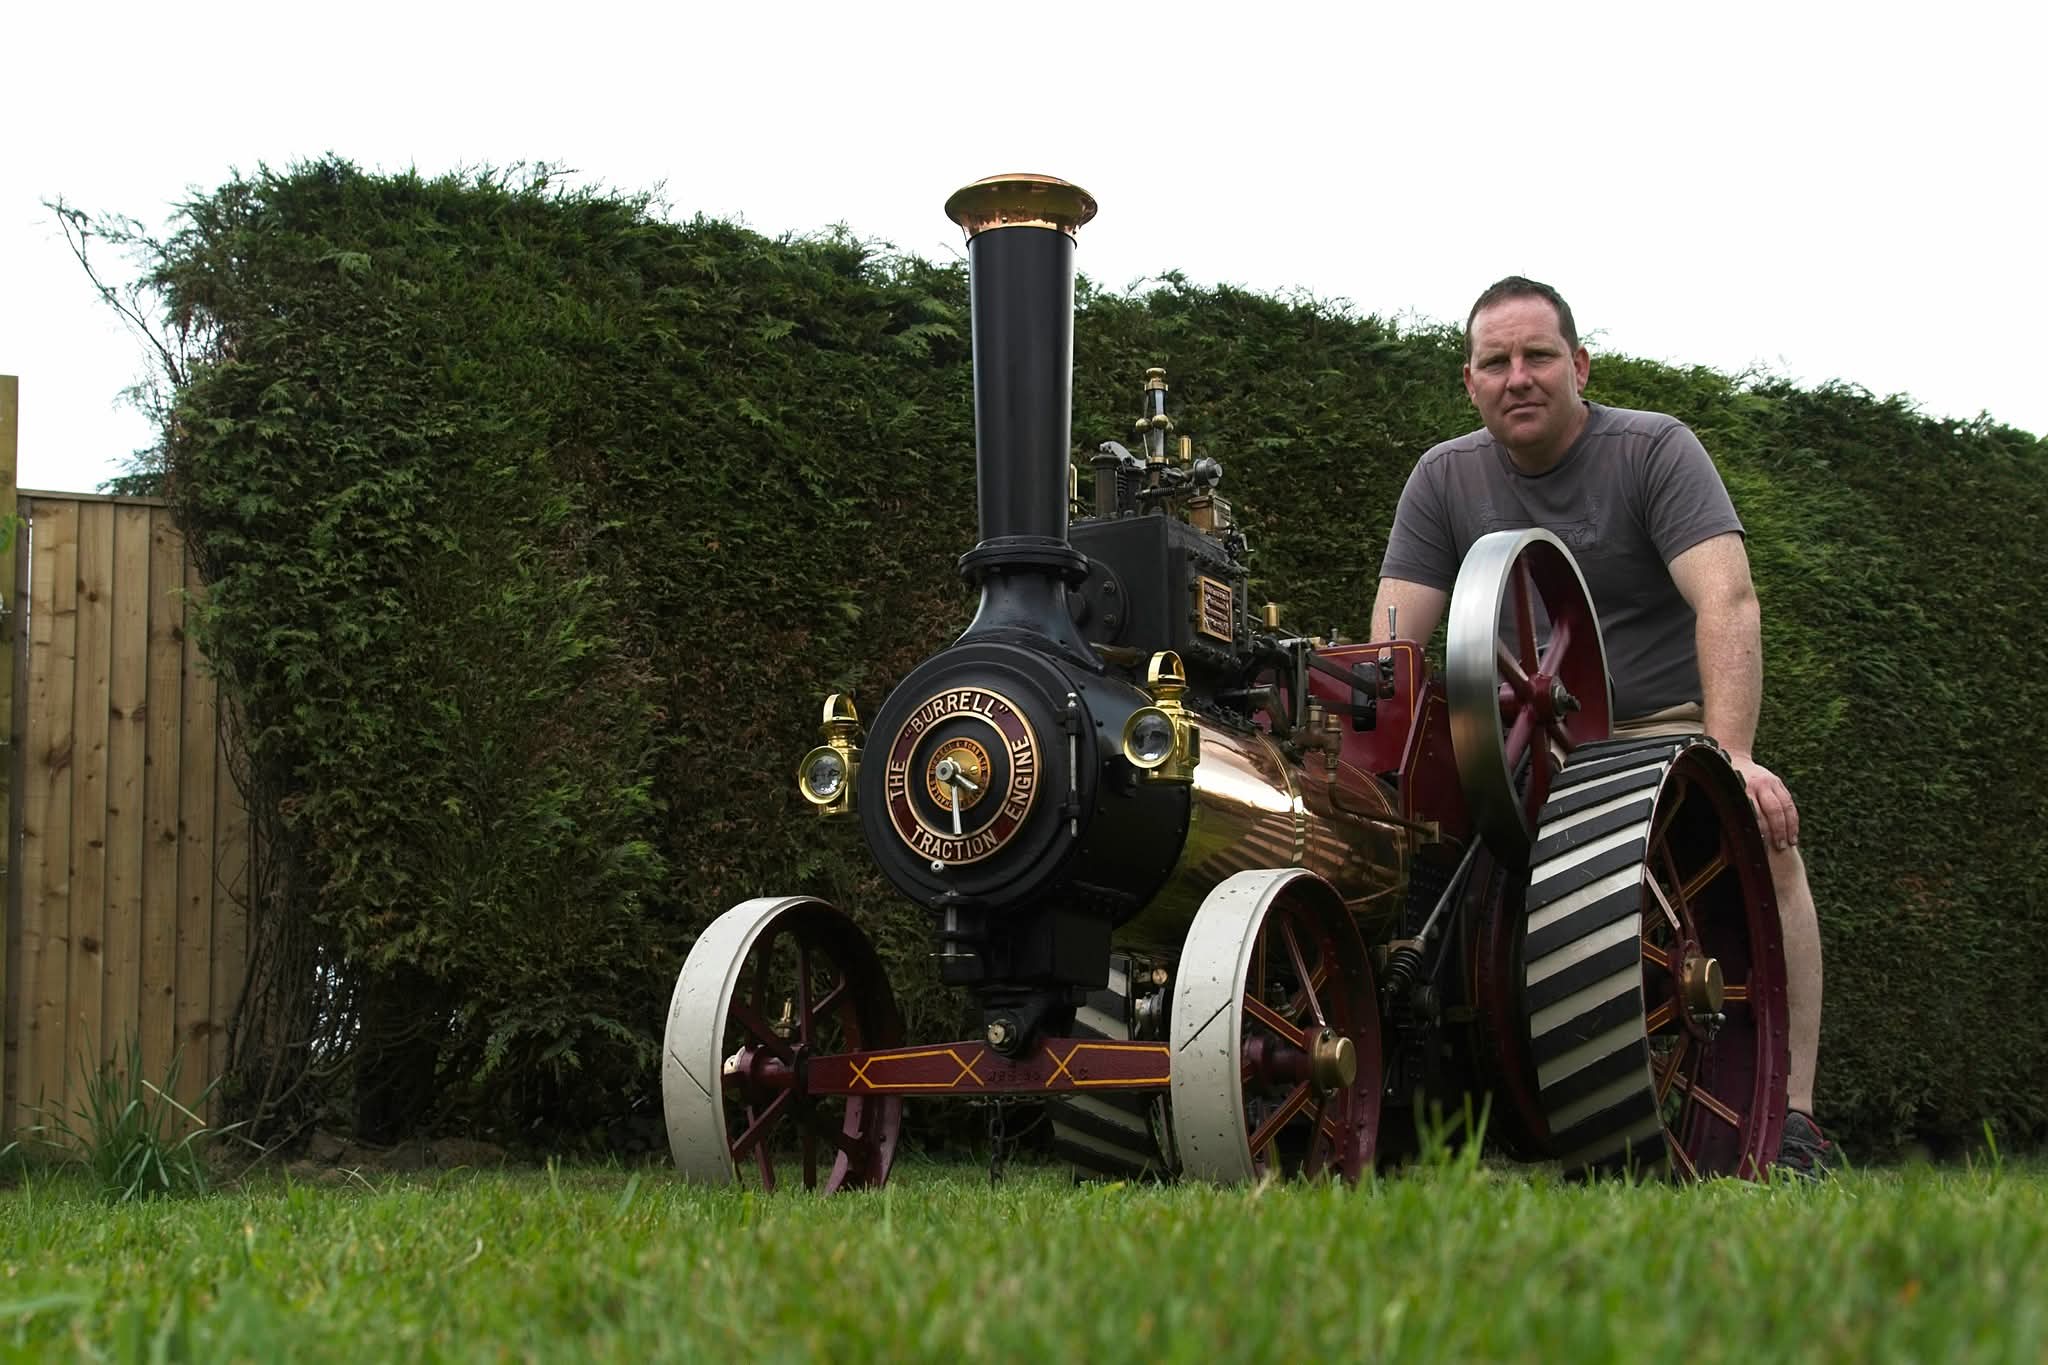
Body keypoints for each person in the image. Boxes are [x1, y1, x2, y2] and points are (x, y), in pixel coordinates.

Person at [1370, 276, 1833, 1179]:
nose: (1519, 377)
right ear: (1470, 383)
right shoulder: (1443, 477)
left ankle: (1794, 1121)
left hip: (1656, 731)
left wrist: (1733, 755)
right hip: (1515, 745)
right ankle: (1406, 1102)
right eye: (1495, 362)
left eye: (1538, 356)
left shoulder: (1655, 450)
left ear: (1579, 365)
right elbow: (1394, 649)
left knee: (1767, 837)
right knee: (1394, 843)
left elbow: (1729, 602)